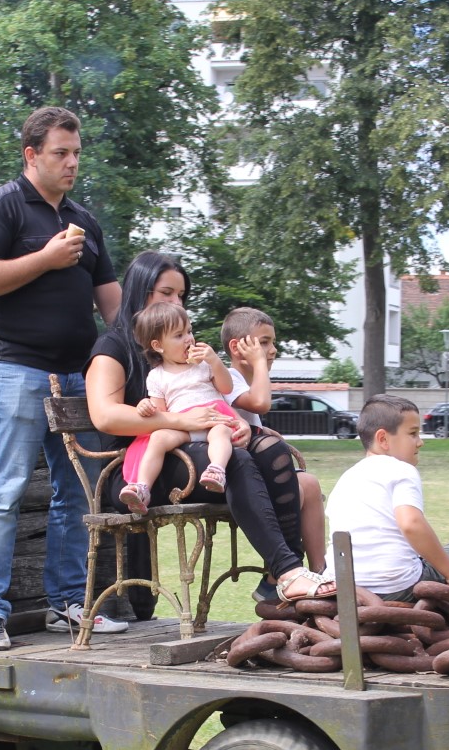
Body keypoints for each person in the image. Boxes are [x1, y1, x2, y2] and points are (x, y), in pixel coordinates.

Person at [0, 106, 125, 650]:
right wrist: (46, 259)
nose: (72, 162)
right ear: (31, 155)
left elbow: (113, 308)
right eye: (61, 153)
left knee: (78, 494)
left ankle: (68, 603)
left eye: (77, 153)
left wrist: (146, 350)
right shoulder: (0, 208)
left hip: (78, 377)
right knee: (3, 492)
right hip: (14, 370)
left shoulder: (85, 221)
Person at [87, 252, 334, 605]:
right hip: (138, 466)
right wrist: (180, 421)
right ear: (140, 291)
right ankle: (289, 572)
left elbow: (214, 394)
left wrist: (241, 427)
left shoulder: (185, 351)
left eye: (181, 296)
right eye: (166, 293)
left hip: (196, 452)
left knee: (271, 450)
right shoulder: (113, 347)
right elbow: (105, 417)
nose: (176, 303)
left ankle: (275, 578)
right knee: (237, 461)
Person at [326, 394, 449, 603]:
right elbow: (411, 524)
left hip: (344, 587)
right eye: (413, 433)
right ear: (383, 439)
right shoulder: (402, 470)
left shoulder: (347, 477)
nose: (420, 442)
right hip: (397, 585)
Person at [221, 307, 329, 595]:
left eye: (272, 342)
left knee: (310, 482)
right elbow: (260, 404)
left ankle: (318, 571)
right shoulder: (228, 376)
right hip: (235, 475)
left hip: (252, 469)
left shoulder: (247, 380)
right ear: (237, 346)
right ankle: (281, 575)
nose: (273, 350)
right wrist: (258, 364)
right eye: (264, 342)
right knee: (302, 482)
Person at [119, 303, 237, 511]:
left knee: (220, 433)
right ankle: (142, 487)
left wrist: (215, 361)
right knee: (157, 438)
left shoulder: (202, 365)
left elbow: (226, 387)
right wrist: (145, 407)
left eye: (189, 331)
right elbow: (160, 414)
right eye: (179, 335)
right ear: (158, 346)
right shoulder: (156, 376)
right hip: (182, 426)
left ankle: (217, 470)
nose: (189, 339)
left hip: (213, 418)